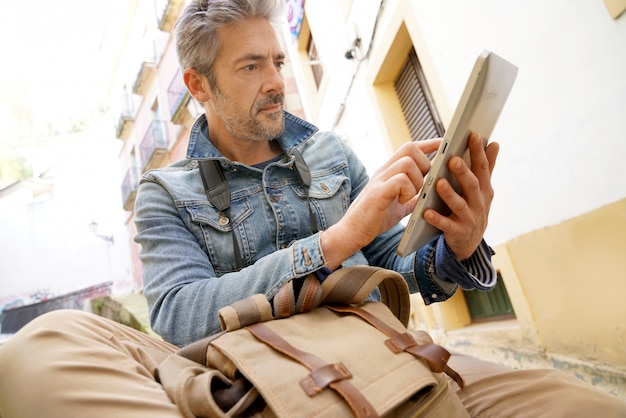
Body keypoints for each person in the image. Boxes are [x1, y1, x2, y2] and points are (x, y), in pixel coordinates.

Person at [0, 1, 624, 417]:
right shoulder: (166, 192)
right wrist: (332, 242)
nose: (276, 78)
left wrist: (458, 245)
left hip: (397, 358)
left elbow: (394, 268)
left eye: (276, 60)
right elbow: (178, 317)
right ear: (197, 86)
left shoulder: (331, 152)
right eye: (251, 66)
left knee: (586, 406)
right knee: (39, 345)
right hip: (251, 386)